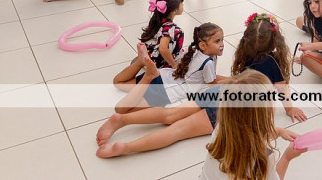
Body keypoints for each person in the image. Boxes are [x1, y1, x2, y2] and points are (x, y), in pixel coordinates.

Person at [96, 16, 305, 158]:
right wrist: (289, 109)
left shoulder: (244, 54)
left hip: (218, 92)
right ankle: (125, 148)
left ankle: (122, 119)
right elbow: (282, 89)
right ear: (275, 42)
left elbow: (236, 79)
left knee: (171, 115)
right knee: (177, 131)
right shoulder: (272, 62)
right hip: (230, 106)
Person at [200, 70, 306, 180]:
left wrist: (279, 132)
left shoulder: (219, 131)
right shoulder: (262, 159)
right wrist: (287, 157)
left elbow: (245, 133)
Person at [111, 22, 225, 115]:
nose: (222, 44)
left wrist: (230, 78)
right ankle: (147, 76)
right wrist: (232, 80)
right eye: (217, 41)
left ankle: (140, 63)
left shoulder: (199, 52)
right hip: (165, 91)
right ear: (203, 45)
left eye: (222, 39)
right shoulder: (208, 62)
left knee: (118, 82)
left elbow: (211, 77)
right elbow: (213, 85)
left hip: (164, 76)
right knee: (122, 110)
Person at [112, 0, 185, 89]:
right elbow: (163, 49)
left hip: (152, 54)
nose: (183, 5)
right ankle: (145, 64)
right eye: (181, 3)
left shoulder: (157, 19)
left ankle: (142, 61)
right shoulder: (170, 27)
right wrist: (174, 65)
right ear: (174, 10)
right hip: (161, 64)